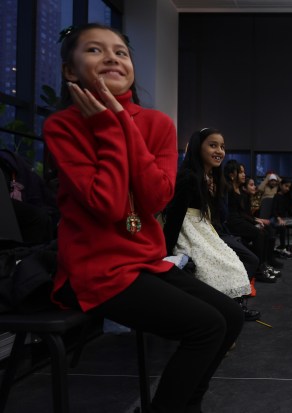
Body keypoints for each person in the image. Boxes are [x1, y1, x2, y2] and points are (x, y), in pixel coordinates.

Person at [43, 24, 243, 412]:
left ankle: (186, 405)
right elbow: (109, 205)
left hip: (144, 261)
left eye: (121, 52)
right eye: (95, 50)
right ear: (70, 71)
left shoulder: (156, 124)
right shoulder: (62, 126)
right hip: (96, 269)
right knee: (207, 326)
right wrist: (108, 126)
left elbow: (155, 198)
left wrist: (121, 122)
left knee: (231, 316)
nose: (112, 58)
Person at [163, 129, 262, 321]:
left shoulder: (213, 179)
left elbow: (218, 216)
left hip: (207, 229)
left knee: (238, 263)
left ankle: (230, 311)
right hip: (190, 231)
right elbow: (175, 215)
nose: (219, 150)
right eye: (213, 145)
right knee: (222, 266)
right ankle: (221, 314)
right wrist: (166, 250)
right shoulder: (188, 176)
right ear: (197, 148)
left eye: (222, 147)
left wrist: (216, 192)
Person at [223, 160, 281, 281]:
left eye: (244, 172)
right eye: (241, 172)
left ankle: (264, 265)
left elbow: (243, 213)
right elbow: (232, 213)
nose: (244, 174)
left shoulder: (239, 190)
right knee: (258, 233)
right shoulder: (227, 189)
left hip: (239, 219)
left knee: (264, 232)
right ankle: (259, 270)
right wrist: (254, 221)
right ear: (232, 174)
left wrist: (255, 220)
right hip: (232, 222)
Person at [271, 178, 292, 257]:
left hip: (285, 219)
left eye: (289, 187)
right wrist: (279, 219)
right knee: (282, 226)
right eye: (286, 186)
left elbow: (290, 211)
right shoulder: (276, 196)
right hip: (275, 218)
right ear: (280, 185)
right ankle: (282, 248)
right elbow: (273, 211)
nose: (287, 188)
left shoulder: (287, 197)